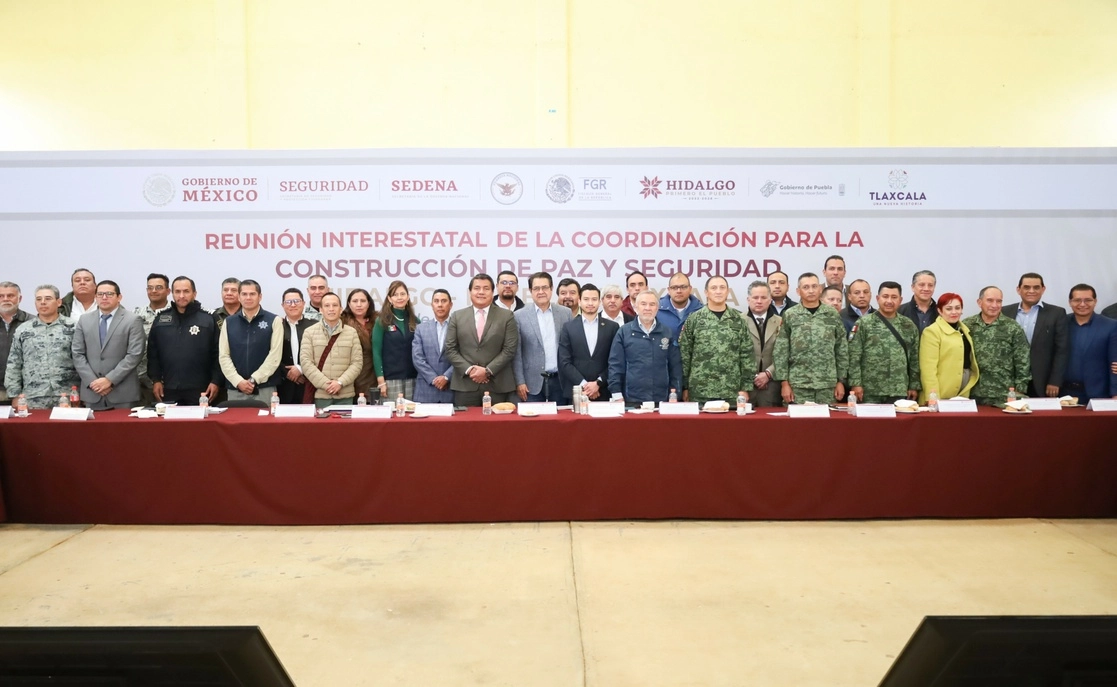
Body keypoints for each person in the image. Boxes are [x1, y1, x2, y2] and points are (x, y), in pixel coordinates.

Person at [443, 273, 520, 406]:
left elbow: (509, 349)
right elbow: (450, 349)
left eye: (486, 288)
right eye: (477, 288)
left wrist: (487, 371)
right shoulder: (457, 316)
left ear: (493, 292)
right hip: (465, 385)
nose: (481, 292)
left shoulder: (507, 316)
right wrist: (470, 370)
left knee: (498, 420)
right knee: (465, 419)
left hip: (498, 385)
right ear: (470, 292)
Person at [774, 273, 848, 405]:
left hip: (827, 385)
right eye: (806, 287)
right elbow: (781, 351)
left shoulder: (832, 314)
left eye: (814, 286)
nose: (811, 290)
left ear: (820, 289)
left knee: (828, 418)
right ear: (798, 291)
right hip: (798, 384)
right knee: (798, 419)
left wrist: (840, 381)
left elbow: (841, 349)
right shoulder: (790, 315)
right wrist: (784, 383)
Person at [147, 276, 222, 405]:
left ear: (194, 293)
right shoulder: (161, 319)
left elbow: (219, 353)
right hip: (168, 388)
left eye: (186, 291)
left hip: (201, 389)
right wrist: (156, 380)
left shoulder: (209, 319)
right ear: (172, 293)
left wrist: (216, 381)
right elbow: (153, 354)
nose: (181, 296)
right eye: (177, 292)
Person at [71, 279, 145, 410]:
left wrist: (109, 380)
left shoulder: (132, 320)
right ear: (95, 297)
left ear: (119, 297)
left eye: (109, 294)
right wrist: (93, 382)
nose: (104, 297)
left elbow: (134, 354)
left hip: (122, 393)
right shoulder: (84, 320)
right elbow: (77, 353)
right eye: (100, 294)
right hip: (92, 391)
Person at [679, 276, 753, 404]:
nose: (718, 291)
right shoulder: (694, 319)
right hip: (700, 391)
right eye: (714, 288)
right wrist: (684, 387)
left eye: (722, 288)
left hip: (731, 391)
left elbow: (747, 355)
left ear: (727, 292)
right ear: (706, 292)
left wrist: (745, 387)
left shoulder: (738, 319)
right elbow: (685, 355)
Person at [3, 285, 80, 408]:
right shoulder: (23, 329)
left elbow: (83, 360)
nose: (43, 302)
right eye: (39, 299)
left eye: (48, 298)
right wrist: (14, 395)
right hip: (32, 398)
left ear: (58, 302)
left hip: (67, 396)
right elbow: (14, 364)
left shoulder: (73, 327)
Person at [848, 281, 920, 404]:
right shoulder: (864, 323)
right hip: (869, 390)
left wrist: (914, 385)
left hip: (899, 388)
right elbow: (854, 355)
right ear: (877, 298)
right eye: (885, 296)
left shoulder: (908, 325)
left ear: (900, 300)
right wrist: (855, 384)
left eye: (894, 297)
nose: (889, 301)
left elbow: (914, 358)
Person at [608, 290, 682, 405]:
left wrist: (675, 393)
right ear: (636, 308)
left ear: (657, 308)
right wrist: (616, 393)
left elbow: (675, 367)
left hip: (661, 399)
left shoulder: (667, 333)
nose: (648, 308)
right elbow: (615, 365)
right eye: (643, 304)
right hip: (631, 399)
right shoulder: (624, 332)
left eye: (652, 304)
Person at [1001, 273, 1068, 398]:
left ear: (1043, 289)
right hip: (1010, 380)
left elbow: (1061, 350)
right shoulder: (1004, 311)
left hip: (1043, 380)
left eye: (1036, 287)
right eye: (1026, 287)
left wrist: (1055, 381)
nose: (1031, 291)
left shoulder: (1056, 313)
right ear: (1018, 289)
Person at [963, 286, 1031, 406]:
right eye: (990, 300)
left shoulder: (1012, 327)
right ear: (979, 302)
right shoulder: (967, 325)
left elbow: (1022, 359)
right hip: (973, 392)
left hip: (1004, 393)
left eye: (999, 301)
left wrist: (1021, 388)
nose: (994, 305)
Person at [218, 279, 284, 402]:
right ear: (239, 297)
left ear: (260, 297)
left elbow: (275, 355)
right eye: (244, 294)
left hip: (265, 388)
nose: (248, 297)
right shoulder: (229, 322)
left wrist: (254, 379)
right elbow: (224, 355)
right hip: (236, 388)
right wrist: (238, 381)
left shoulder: (274, 320)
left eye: (252, 294)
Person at [514, 272, 573, 403]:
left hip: (560, 381)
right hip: (531, 384)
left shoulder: (565, 313)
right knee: (532, 417)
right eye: (536, 288)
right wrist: (520, 382)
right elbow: (517, 353)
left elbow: (571, 348)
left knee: (561, 416)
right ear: (530, 291)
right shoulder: (519, 316)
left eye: (545, 287)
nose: (541, 292)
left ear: (551, 289)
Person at [299, 293, 362, 408]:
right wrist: (326, 384)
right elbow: (306, 363)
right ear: (321, 310)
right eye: (327, 306)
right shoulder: (309, 332)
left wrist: (340, 382)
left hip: (345, 395)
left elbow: (357, 363)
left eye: (335, 305)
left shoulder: (351, 332)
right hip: (320, 395)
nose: (331, 309)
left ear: (341, 309)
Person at [559, 283, 619, 402]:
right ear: (579, 301)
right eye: (586, 299)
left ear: (600, 302)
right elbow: (564, 361)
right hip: (577, 391)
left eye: (594, 299)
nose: (590, 303)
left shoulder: (612, 327)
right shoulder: (568, 327)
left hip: (603, 391)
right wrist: (584, 385)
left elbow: (615, 360)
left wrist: (598, 383)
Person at [918, 292, 980, 403]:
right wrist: (932, 396)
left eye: (957, 308)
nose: (954, 312)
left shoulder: (964, 330)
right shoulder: (932, 332)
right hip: (941, 392)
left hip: (963, 391)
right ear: (940, 311)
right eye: (949, 309)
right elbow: (928, 370)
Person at [1060, 284, 1117, 403]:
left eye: (1088, 300)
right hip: (1063, 395)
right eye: (1077, 300)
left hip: (1099, 395)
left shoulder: (1111, 326)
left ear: (1095, 301)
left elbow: (1114, 364)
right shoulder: (1060, 323)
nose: (1082, 304)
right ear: (1070, 302)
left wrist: (1115, 394)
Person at [373, 280, 420, 401]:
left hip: (413, 378)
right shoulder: (382, 321)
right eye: (395, 294)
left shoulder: (415, 321)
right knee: (393, 411)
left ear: (408, 297)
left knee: (412, 411)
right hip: (390, 380)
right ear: (389, 299)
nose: (399, 297)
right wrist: (381, 381)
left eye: (402, 294)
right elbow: (376, 352)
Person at [412, 288, 455, 404]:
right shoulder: (420, 328)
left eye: (444, 301)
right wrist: (433, 379)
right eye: (436, 301)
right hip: (425, 390)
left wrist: (446, 377)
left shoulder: (459, 328)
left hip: (451, 390)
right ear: (432, 305)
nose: (440, 305)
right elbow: (417, 358)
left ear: (450, 305)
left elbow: (463, 356)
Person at [134, 273, 171, 406]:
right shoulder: (137, 314)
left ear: (168, 291)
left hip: (168, 378)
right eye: (150, 288)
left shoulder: (176, 313)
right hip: (140, 378)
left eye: (159, 287)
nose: (154, 291)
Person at [743, 280, 782, 408]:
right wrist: (751, 377)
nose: (759, 301)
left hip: (772, 387)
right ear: (748, 299)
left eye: (763, 297)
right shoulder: (738, 321)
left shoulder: (781, 322)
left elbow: (785, 354)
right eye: (755, 297)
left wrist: (768, 374)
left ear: (770, 300)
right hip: (745, 387)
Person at [277, 287, 314, 404]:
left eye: (296, 301)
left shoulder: (314, 326)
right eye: (288, 302)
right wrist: (287, 372)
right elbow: (269, 353)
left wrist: (301, 369)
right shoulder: (276, 326)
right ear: (282, 305)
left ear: (303, 303)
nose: (293, 305)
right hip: (283, 384)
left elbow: (319, 353)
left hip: (309, 382)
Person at [0, 281, 32, 404]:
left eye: (10, 295)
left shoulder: (32, 322)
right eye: (1, 296)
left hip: (24, 392)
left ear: (20, 298)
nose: (5, 299)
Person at [342, 288, 376, 400]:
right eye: (355, 301)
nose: (359, 304)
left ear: (369, 303)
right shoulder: (342, 322)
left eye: (363, 301)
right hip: (352, 374)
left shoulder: (378, 321)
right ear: (349, 304)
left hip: (376, 373)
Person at [657, 272, 703, 339]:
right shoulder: (656, 310)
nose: (679, 291)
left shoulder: (701, 311)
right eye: (674, 287)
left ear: (690, 289)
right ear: (669, 290)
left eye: (683, 287)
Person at [899, 270, 939, 334]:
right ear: (913, 287)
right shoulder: (900, 311)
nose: (926, 289)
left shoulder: (941, 312)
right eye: (921, 285)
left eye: (930, 285)